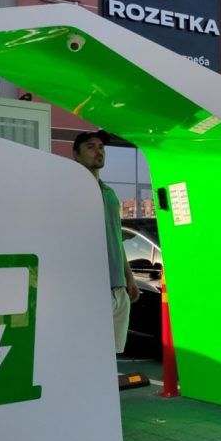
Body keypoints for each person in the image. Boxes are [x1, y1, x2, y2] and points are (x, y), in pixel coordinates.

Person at [72, 130, 140, 353]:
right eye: (90, 147)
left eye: (101, 147)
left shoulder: (109, 193)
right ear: (76, 154)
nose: (98, 151)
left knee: (113, 355)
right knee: (89, 352)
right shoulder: (70, 190)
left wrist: (129, 277)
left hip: (118, 288)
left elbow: (116, 238)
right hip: (89, 287)